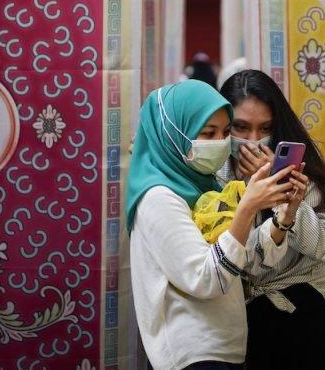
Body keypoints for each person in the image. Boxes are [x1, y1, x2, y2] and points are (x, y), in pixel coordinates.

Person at [126, 79, 308, 370]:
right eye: (208, 133)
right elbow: (207, 278)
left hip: (222, 349)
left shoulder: (202, 187)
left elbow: (245, 261)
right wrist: (247, 207)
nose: (221, 143)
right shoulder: (159, 198)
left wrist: (285, 216)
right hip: (192, 353)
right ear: (175, 134)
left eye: (225, 133)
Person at [218, 69, 325, 369]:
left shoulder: (297, 169)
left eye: (265, 128)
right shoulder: (215, 172)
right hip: (240, 315)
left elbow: (317, 244)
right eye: (240, 127)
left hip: (304, 306)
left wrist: (281, 189)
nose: (253, 140)